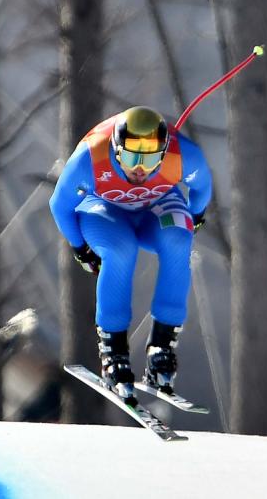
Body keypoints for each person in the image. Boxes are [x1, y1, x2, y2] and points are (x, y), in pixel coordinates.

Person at [49, 106, 212, 404]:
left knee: (179, 240)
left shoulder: (183, 154)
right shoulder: (91, 156)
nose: (139, 169)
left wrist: (195, 216)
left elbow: (202, 186)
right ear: (115, 148)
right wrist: (79, 247)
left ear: (163, 152)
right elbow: (60, 205)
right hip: (104, 210)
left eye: (149, 159)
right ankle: (113, 351)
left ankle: (162, 346)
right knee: (119, 251)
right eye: (131, 157)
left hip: (156, 207)